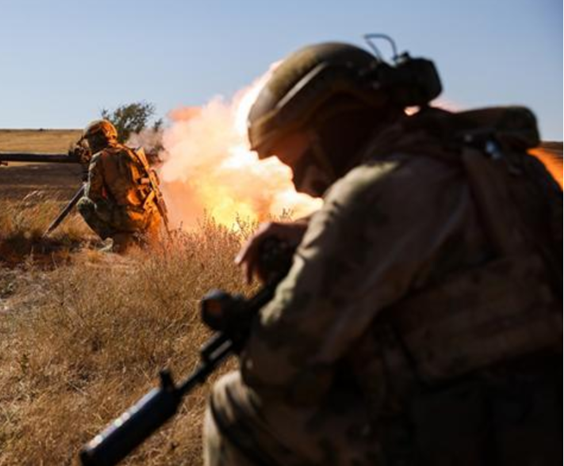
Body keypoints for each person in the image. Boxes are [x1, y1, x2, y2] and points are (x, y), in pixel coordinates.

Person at [204, 42, 562, 465]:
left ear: (329, 126)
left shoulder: (368, 197)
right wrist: (314, 230)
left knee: (234, 404)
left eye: (291, 158)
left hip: (471, 436)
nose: (298, 182)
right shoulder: (502, 162)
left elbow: (279, 368)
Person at [76, 119, 166, 252]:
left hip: (129, 219)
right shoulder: (133, 152)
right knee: (153, 252)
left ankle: (120, 239)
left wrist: (87, 172)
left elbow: (92, 194)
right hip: (152, 217)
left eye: (89, 140)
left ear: (96, 139)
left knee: (83, 204)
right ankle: (141, 240)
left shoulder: (99, 158)